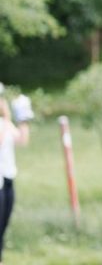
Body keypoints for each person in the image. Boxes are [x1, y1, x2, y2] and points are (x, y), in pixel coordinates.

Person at [0, 89, 33, 265]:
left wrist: (22, 117)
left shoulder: (4, 123)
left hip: (7, 179)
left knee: (3, 226)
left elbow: (22, 140)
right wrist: (6, 117)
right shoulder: (4, 123)